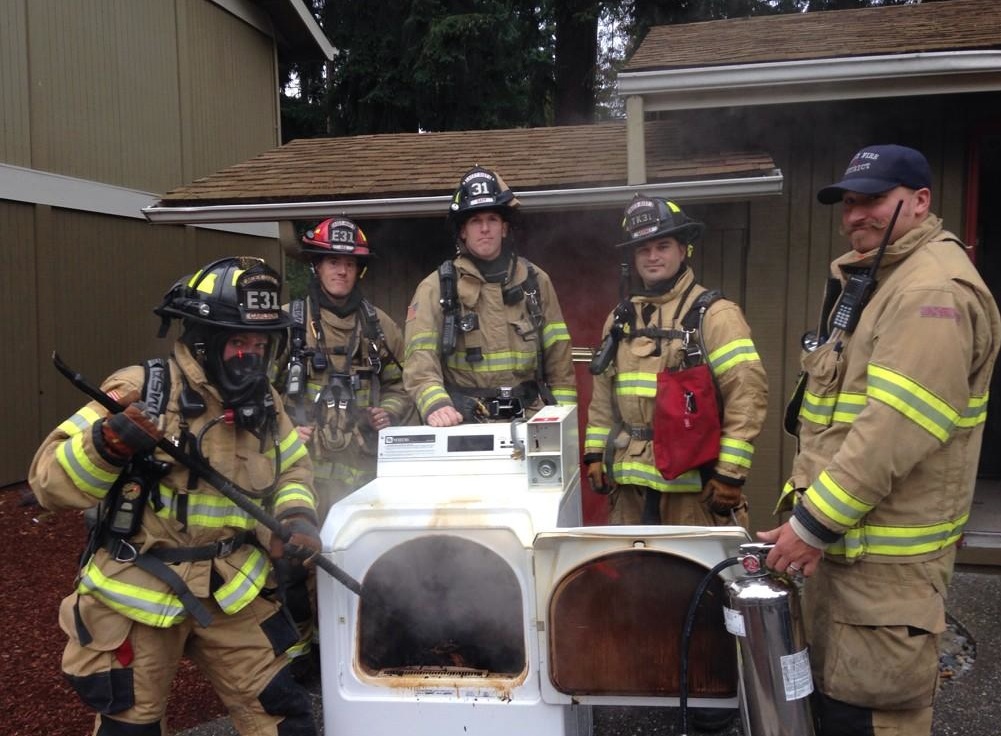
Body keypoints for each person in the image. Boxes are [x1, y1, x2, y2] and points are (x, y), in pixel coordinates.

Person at [759, 144, 1001, 736]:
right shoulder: (878, 282)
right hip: (851, 557)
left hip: (884, 575)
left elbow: (891, 431)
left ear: (920, 202)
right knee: (835, 707)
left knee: (872, 717)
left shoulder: (930, 293)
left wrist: (810, 526)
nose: (855, 215)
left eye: (874, 200)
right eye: (849, 202)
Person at [28, 257, 320, 736]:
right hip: (138, 591)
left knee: (285, 718)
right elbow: (46, 482)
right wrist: (107, 444)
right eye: (237, 342)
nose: (249, 356)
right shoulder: (141, 389)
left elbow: (293, 466)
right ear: (204, 341)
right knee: (132, 729)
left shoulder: (264, 402)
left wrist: (297, 516)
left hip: (231, 589)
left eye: (259, 344)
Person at [584, 195, 768, 527]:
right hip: (629, 489)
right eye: (643, 249)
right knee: (633, 575)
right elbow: (602, 394)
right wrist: (595, 454)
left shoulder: (716, 315)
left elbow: (748, 396)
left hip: (693, 491)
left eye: (663, 246)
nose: (653, 256)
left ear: (683, 250)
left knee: (692, 578)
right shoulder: (620, 319)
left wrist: (730, 473)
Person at [404, 166, 576, 426]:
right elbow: (420, 359)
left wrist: (562, 419)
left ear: (504, 228)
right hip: (465, 425)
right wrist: (436, 405)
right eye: (475, 221)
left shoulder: (536, 282)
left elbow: (559, 361)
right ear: (463, 231)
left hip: (530, 421)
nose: (485, 228)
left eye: (492, 219)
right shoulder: (436, 288)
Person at [286, 216, 413, 521]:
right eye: (333, 261)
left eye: (350, 263)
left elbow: (404, 383)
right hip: (302, 473)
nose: (342, 271)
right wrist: (287, 431)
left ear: (360, 270)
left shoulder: (380, 327)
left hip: (364, 476)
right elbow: (262, 390)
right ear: (316, 266)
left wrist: (389, 412)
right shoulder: (288, 323)